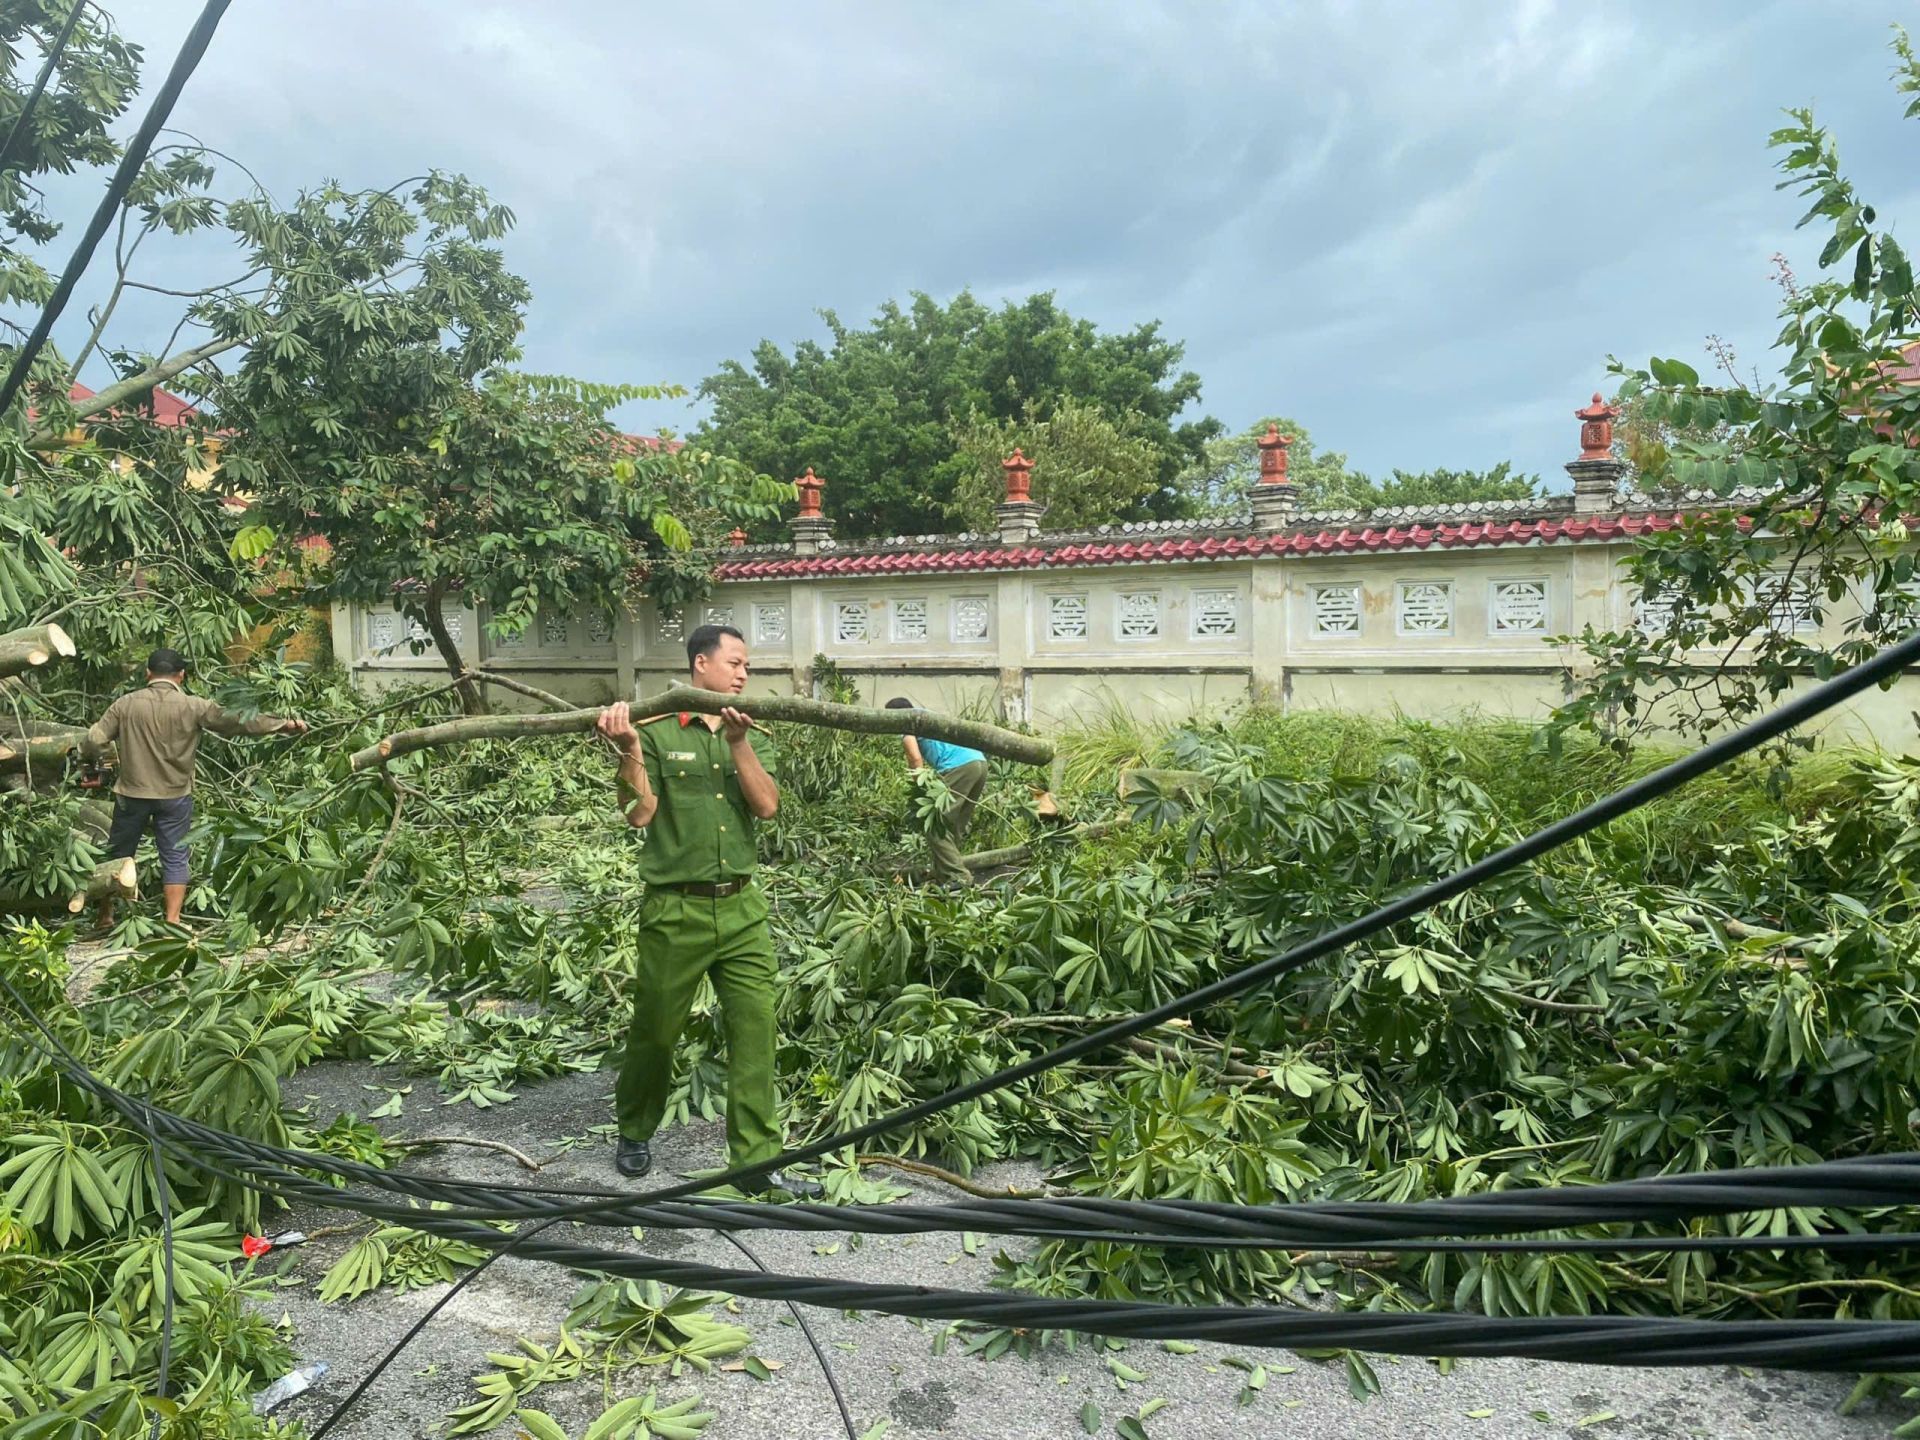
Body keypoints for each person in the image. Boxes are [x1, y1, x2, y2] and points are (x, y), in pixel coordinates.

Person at [595, 623, 822, 1198]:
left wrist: (739, 745)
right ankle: (634, 1130)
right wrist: (628, 752)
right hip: (676, 910)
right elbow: (640, 814)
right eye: (736, 663)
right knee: (657, 1029)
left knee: (755, 1031)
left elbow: (767, 807)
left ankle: (754, 1162)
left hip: (742, 908)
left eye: (748, 666)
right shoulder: (655, 726)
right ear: (701, 664)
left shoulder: (751, 731)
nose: (744, 674)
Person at [83, 647, 307, 926]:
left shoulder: (126, 704)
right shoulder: (194, 706)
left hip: (132, 793)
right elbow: (236, 721)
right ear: (181, 675)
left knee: (118, 853)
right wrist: (283, 724)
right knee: (175, 856)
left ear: (147, 673)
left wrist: (106, 757)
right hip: (175, 795)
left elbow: (94, 738)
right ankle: (173, 920)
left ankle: (106, 915)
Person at [884, 696, 988, 887]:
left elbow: (915, 760)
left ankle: (958, 877)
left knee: (934, 823)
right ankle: (944, 875)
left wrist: (921, 792)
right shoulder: (929, 716)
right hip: (979, 762)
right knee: (953, 824)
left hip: (959, 767)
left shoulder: (907, 727)